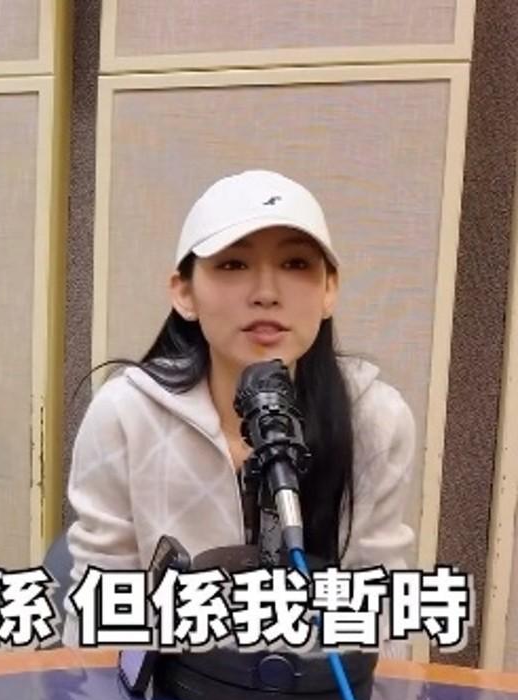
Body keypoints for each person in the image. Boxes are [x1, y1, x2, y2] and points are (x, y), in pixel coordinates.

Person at [61, 169, 415, 657]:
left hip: (319, 697)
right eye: (232, 265)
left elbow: (381, 615)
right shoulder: (124, 414)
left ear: (329, 290)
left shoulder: (376, 419)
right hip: (161, 697)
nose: (266, 292)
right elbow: (100, 616)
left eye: (295, 263)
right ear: (184, 292)